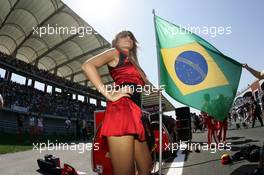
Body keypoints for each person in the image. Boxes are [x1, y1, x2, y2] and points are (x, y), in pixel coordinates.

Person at [82, 31, 153, 175]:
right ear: (116, 42)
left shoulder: (134, 63)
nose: (129, 38)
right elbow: (87, 66)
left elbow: (147, 85)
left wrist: (155, 88)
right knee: (125, 172)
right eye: (124, 36)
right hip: (122, 111)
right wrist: (109, 94)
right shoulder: (115, 52)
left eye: (131, 37)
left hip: (136, 114)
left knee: (146, 168)